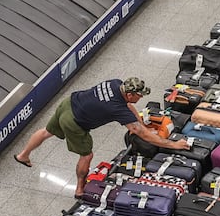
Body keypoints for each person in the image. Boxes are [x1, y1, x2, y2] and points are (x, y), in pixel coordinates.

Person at [14, 77, 189, 198]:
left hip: (68, 103)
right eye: (139, 95)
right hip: (74, 122)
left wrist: (140, 123)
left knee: (46, 131)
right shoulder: (116, 108)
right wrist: (174, 145)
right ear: (129, 94)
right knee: (87, 155)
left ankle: (23, 155)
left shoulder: (116, 84)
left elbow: (128, 107)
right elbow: (142, 135)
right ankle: (80, 189)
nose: (141, 97)